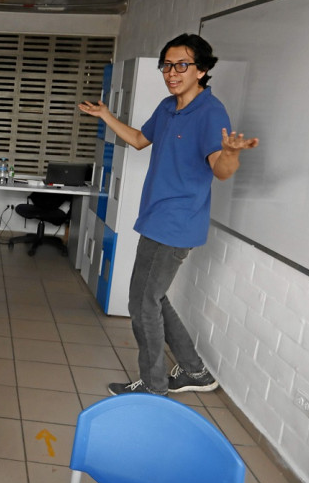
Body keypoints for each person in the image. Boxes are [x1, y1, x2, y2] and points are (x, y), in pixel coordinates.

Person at [79, 33, 259, 396]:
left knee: (141, 300)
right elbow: (138, 139)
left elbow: (221, 171)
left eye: (182, 65)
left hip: (176, 223)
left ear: (202, 70)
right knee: (153, 296)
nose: (172, 72)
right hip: (157, 216)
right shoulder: (167, 106)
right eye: (167, 65)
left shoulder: (211, 113)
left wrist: (231, 153)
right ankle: (193, 371)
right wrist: (105, 115)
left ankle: (154, 385)